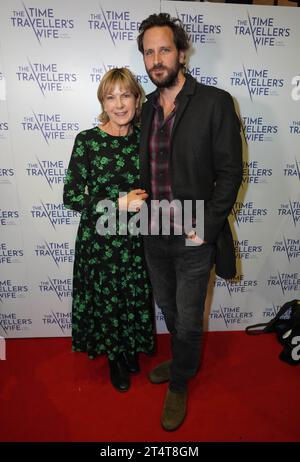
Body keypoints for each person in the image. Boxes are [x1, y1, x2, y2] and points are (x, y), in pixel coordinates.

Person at [137, 13, 243, 430]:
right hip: (153, 232)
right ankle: (184, 360)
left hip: (194, 235)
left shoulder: (215, 102)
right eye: (149, 52)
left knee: (187, 310)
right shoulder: (145, 106)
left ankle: (179, 382)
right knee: (169, 308)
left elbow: (230, 172)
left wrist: (209, 226)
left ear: (181, 53)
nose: (157, 59)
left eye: (164, 49)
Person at [63, 68, 154, 393]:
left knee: (132, 296)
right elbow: (72, 197)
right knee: (108, 301)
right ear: (103, 101)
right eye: (111, 96)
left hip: (135, 239)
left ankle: (130, 349)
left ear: (136, 98)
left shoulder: (145, 138)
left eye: (125, 95)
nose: (119, 104)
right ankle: (115, 358)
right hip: (99, 242)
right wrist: (118, 201)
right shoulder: (87, 141)